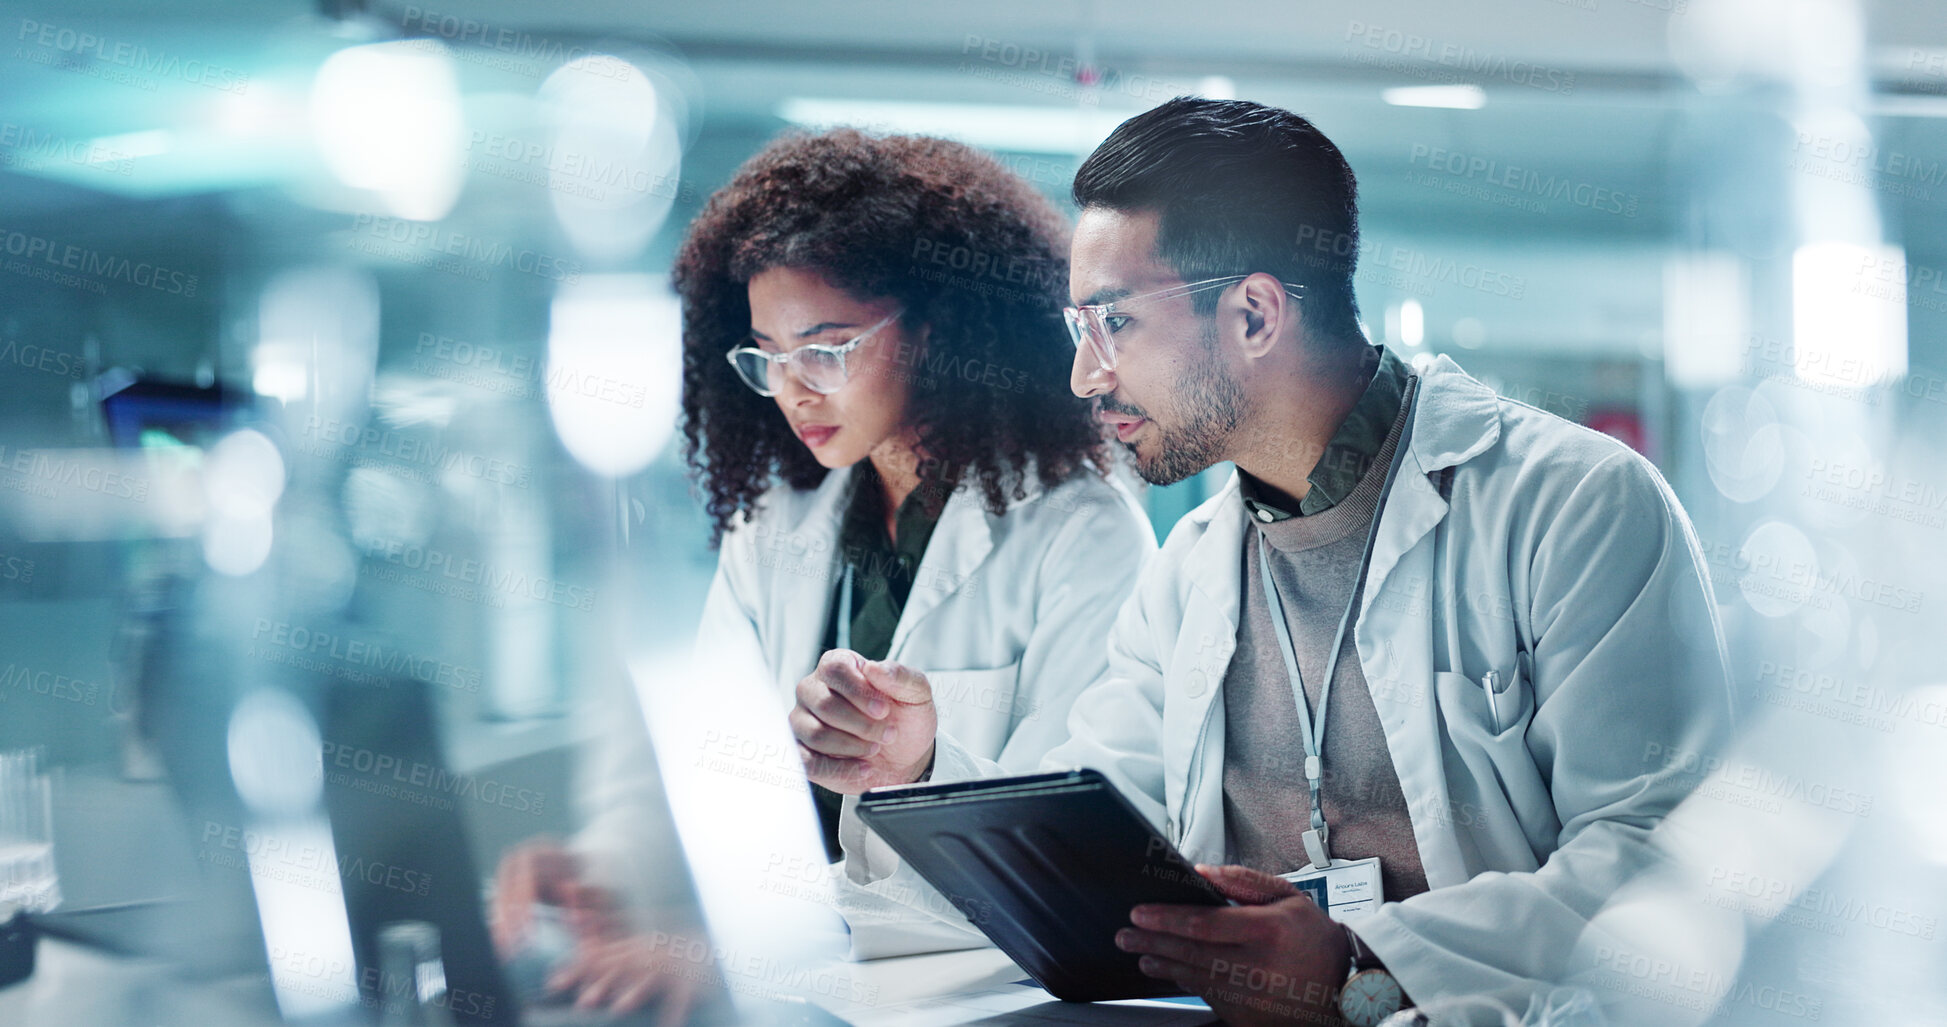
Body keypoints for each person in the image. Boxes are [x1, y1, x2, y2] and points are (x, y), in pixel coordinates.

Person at [791, 98, 1735, 1025]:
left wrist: (1362, 966)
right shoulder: (1191, 569)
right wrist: (917, 770)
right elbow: (1095, 834)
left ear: (1252, 313)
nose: (1084, 375)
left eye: (1112, 324)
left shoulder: (1571, 504)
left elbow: (1659, 851)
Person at [492, 127, 1157, 1011]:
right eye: (765, 355)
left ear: (933, 328)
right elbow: (710, 764)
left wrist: (758, 947)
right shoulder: (780, 519)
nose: (793, 387)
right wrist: (602, 872)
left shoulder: (1080, 534)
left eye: (826, 348)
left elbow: (1059, 865)